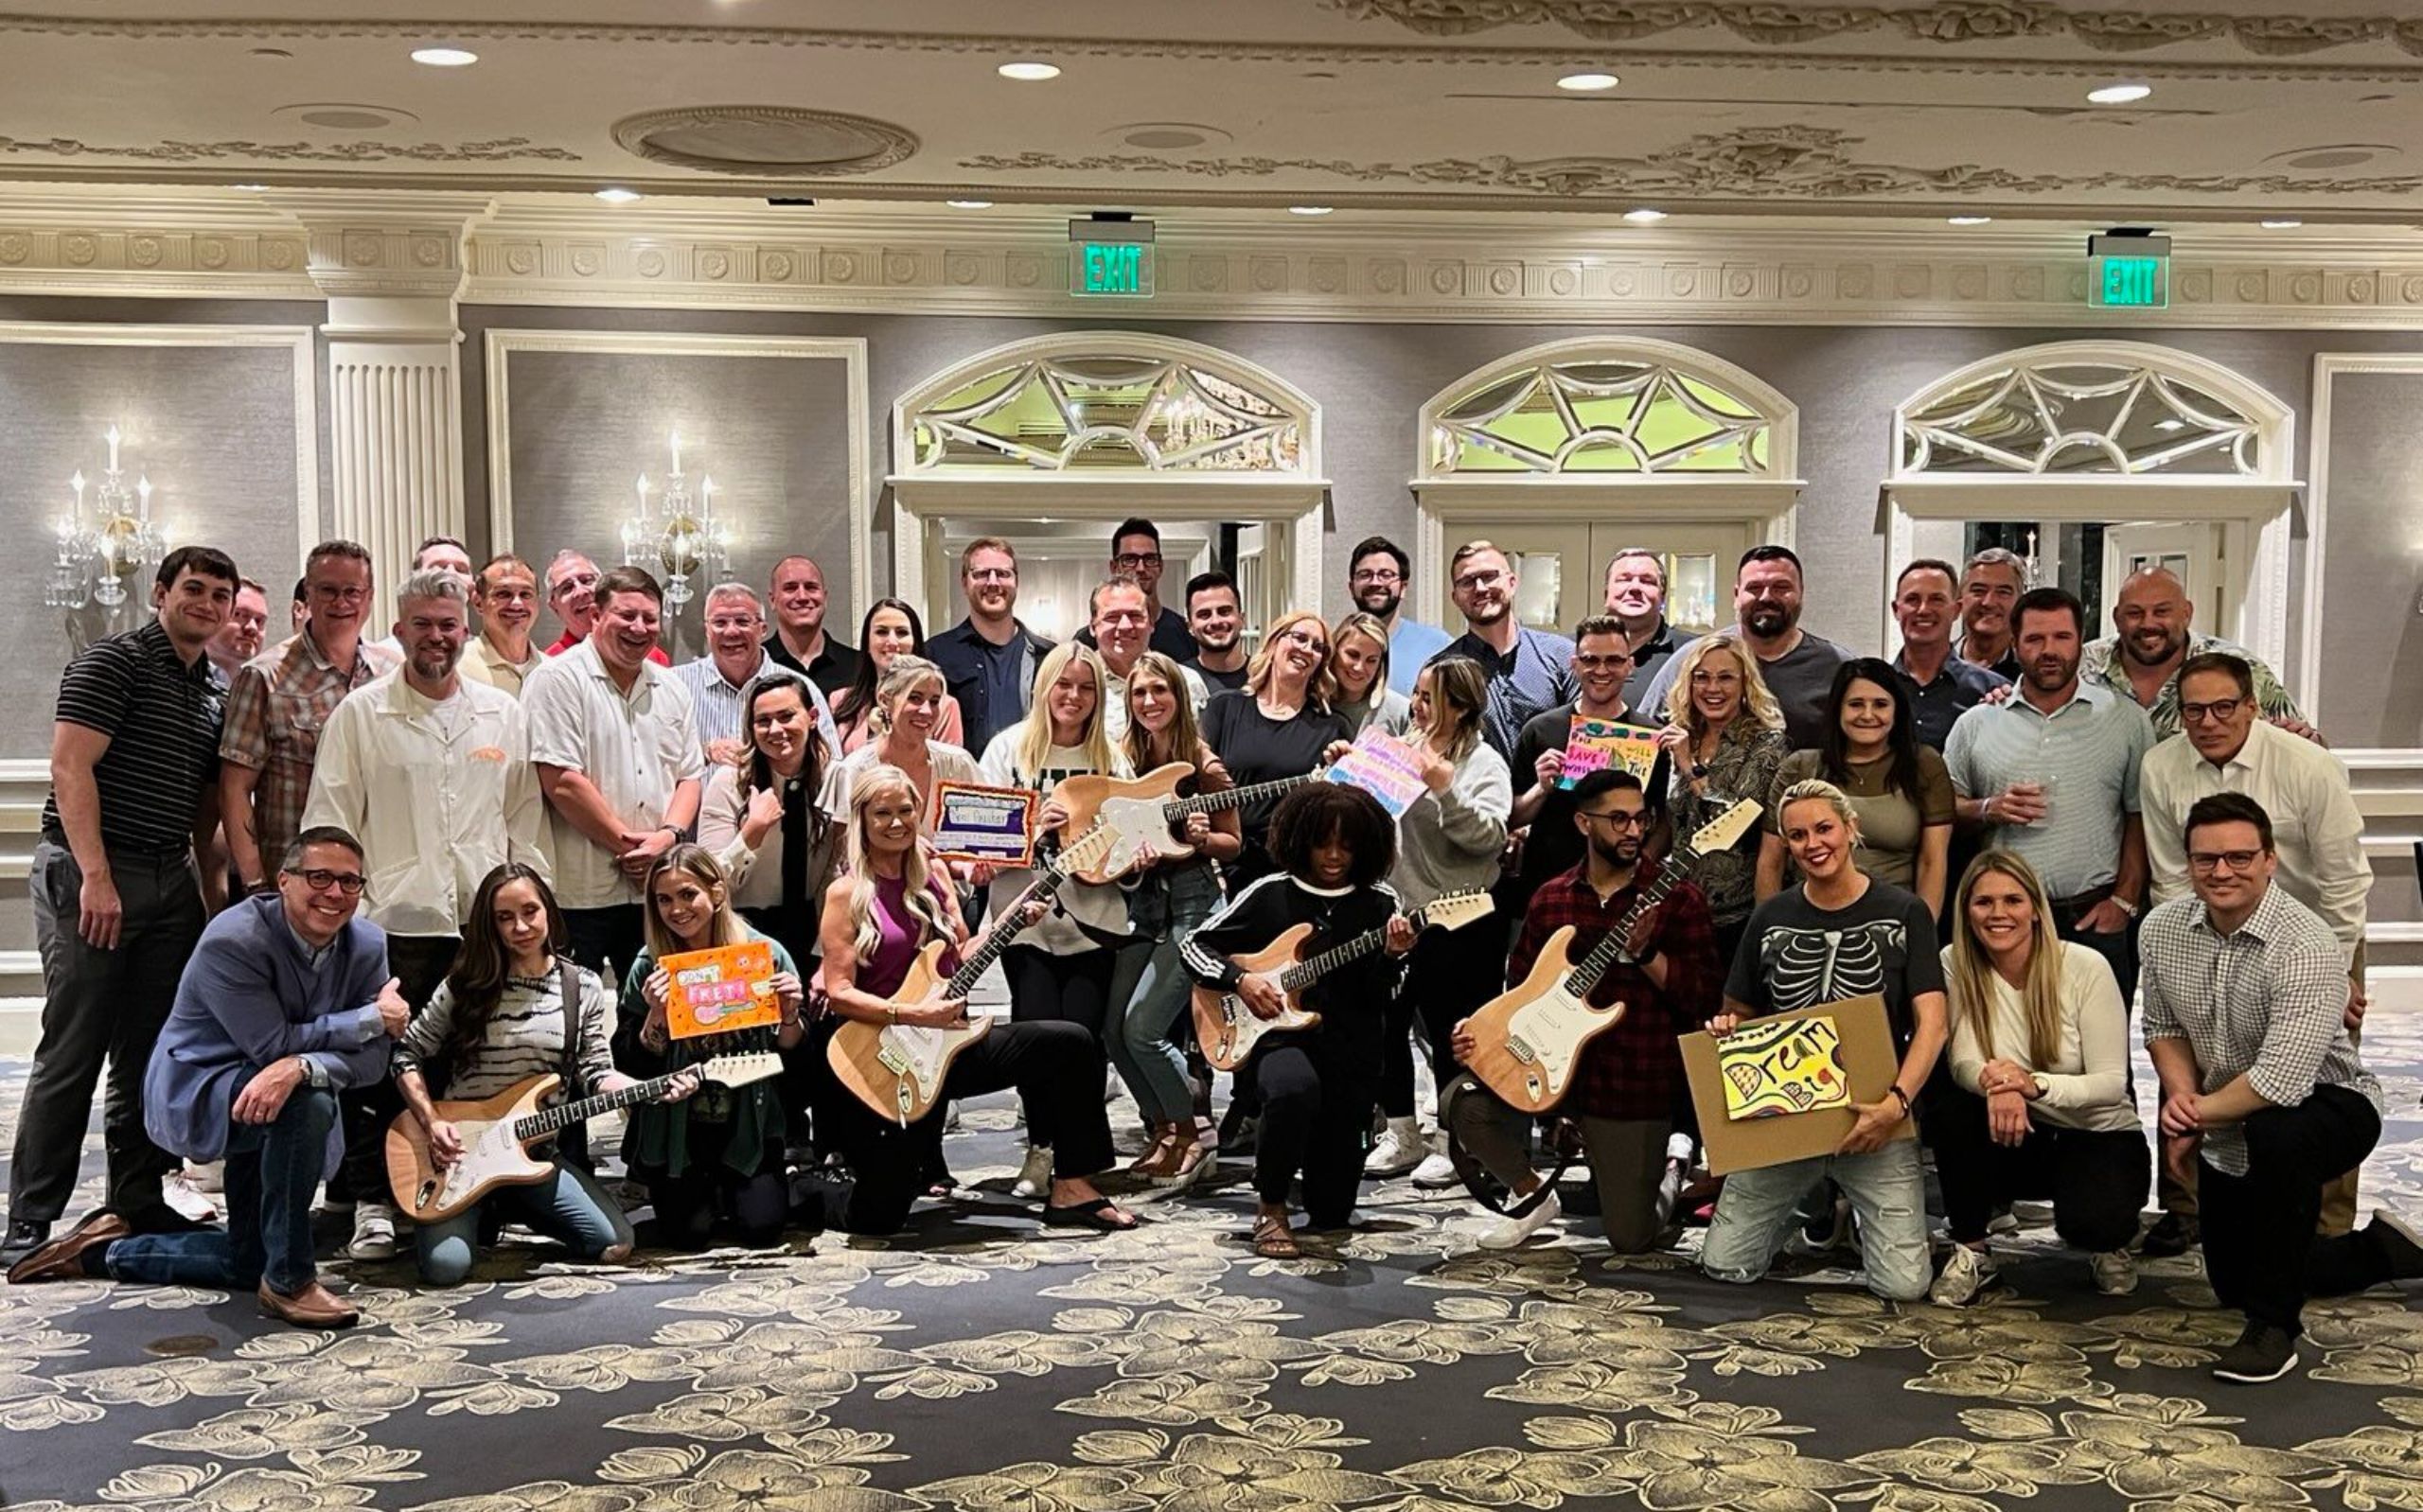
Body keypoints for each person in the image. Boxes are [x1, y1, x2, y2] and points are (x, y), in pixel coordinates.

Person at [9, 828, 409, 1329]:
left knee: (246, 1261)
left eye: (349, 882)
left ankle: (103, 1252)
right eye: (319, 877)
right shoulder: (234, 938)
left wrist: (305, 1065)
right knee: (310, 1104)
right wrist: (369, 1020)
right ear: (283, 881)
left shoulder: (368, 943)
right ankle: (289, 1282)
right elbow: (271, 1044)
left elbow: (373, 1064)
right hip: (204, 1085)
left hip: (275, 1092)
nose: (334, 894)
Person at [299, 568, 547, 1259]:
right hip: (391, 924)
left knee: (472, 1064)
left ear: (463, 628)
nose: (435, 637)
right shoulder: (361, 714)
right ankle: (373, 1202)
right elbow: (331, 824)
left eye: (447, 625)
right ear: (401, 630)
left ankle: (462, 1185)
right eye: (422, 625)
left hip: (479, 923)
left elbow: (523, 818)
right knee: (376, 1069)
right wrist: (334, 920)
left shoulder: (503, 711)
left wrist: (533, 906)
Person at [3, 547, 239, 1264]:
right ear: (160, 593)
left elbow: (204, 805)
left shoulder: (216, 688)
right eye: (193, 589)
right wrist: (96, 877)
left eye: (221, 595)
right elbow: (70, 766)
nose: (207, 603)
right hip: (93, 873)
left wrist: (206, 891)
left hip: (171, 879)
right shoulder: (114, 662)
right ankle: (32, 1218)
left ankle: (136, 1198)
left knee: (147, 1051)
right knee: (74, 1046)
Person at [2140, 792, 2423, 1385]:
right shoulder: (2162, 929)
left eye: (2240, 857)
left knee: (2279, 1133)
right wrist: (2186, 1101)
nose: (2222, 872)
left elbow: (2281, 1081)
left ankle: (2275, 1329)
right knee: (2233, 1282)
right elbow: (2163, 1029)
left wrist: (2193, 1118)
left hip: (2330, 1103)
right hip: (2227, 1110)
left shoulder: (2307, 944)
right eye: (2206, 859)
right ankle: (2382, 1253)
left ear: (2270, 860)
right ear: (2186, 862)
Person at [809, 765, 1141, 1236]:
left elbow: (958, 954)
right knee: (878, 1216)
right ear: (861, 819)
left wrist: (1008, 923)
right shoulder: (846, 894)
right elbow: (839, 992)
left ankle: (1074, 1187)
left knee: (1071, 1043)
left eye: (905, 811)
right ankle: (810, 1189)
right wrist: (911, 1012)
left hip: (951, 1045)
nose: (896, 822)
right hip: (887, 1059)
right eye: (881, 813)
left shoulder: (934, 876)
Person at [2141, 650, 2372, 1244]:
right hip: (2203, 934)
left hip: (2319, 936)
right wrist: (2182, 950)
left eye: (2224, 707)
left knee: (2313, 1081)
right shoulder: (2162, 766)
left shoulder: (2307, 765)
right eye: (2194, 710)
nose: (2209, 721)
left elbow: (2344, 880)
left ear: (2252, 706)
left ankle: (2326, 1228)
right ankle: (2193, 1207)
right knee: (2201, 1060)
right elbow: (2171, 878)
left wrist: (2336, 974)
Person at [1442, 769, 1721, 1252]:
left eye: (1641, 819)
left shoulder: (1678, 900)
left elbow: (1702, 999)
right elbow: (1520, 991)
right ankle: (1531, 1195)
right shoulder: (1551, 898)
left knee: (1631, 1239)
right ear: (1583, 824)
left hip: (1631, 1085)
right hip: (1550, 1074)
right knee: (1461, 1101)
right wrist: (1477, 1032)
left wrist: (1647, 955)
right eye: (1618, 820)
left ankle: (1674, 1163)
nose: (1633, 831)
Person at [1702, 781, 1949, 1302]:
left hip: (1877, 1118)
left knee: (1903, 1287)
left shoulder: (1905, 912)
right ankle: (1804, 1208)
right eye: (1797, 835)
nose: (1813, 844)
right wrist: (1726, 1029)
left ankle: (1858, 1217)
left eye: (1823, 829)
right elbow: (1738, 1012)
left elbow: (1934, 1024)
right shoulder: (1770, 917)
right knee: (1725, 1264)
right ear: (1786, 847)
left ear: (1851, 830)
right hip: (1786, 1123)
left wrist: (1896, 1104)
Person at [393, 864, 681, 1285]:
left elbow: (596, 1072)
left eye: (530, 911)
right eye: (504, 918)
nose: (521, 927)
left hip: (534, 1152)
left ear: (548, 909)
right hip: (457, 1154)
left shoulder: (579, 986)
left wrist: (644, 1090)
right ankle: (483, 1206)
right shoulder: (465, 983)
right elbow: (406, 1053)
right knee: (446, 1269)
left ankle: (513, 1200)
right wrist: (431, 1123)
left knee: (613, 1243)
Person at [1184, 784, 1413, 1257]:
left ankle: (1294, 1166)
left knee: (1331, 1212)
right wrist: (1240, 981)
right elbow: (1194, 946)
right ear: (1300, 840)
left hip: (1352, 1048)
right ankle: (1271, 1207)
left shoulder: (1382, 904)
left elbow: (1388, 994)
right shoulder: (1271, 893)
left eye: (1346, 845)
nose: (1333, 856)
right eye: (1321, 843)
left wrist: (1392, 957)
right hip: (1277, 1039)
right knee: (1292, 1090)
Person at [1928, 852, 2149, 1306]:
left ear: (2035, 908)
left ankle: (2110, 1243)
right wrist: (1999, 1084)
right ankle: (1973, 1250)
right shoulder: (1956, 963)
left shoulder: (2084, 966)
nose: (1998, 914)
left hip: (2093, 1132)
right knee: (1949, 1104)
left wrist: (2031, 1084)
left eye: (2012, 900)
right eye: (1983, 902)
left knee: (2093, 1226)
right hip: (2012, 1129)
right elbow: (1963, 1061)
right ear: (1966, 911)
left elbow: (2110, 1083)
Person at [1943, 586, 2154, 1004]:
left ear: (2081, 641)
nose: (2049, 650)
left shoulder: (2126, 720)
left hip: (2093, 916)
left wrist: (2125, 901)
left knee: (2101, 1056)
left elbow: (2140, 816)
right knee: (2002, 1052)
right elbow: (1942, 809)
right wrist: (1988, 808)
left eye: (2062, 637)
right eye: (2035, 639)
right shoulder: (1977, 724)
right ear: (2015, 645)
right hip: (2002, 921)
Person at [978, 642, 1134, 1197]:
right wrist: (1033, 831)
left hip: (1095, 924)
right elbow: (980, 843)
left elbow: (1130, 841)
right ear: (1043, 687)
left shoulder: (1113, 758)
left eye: (1086, 686)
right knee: (1038, 1040)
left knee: (1086, 1044)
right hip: (1026, 926)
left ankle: (1080, 1160)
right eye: (1063, 684)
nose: (1074, 696)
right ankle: (1041, 1150)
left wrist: (1115, 849)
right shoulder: (1007, 750)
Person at [1363, 656, 1512, 1187]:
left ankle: (1455, 1139)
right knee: (1387, 1023)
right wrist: (1347, 770)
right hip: (1401, 911)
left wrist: (1444, 787)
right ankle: (1402, 1131)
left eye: (1429, 697)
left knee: (1456, 1030)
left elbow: (1491, 838)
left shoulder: (1486, 763)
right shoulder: (1402, 748)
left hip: (1464, 916)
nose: (1417, 706)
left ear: (1461, 706)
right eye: (1418, 694)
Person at [612, 845, 804, 1249]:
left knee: (762, 1231)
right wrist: (655, 1016)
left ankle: (787, 1185)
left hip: (748, 1121)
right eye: (664, 899)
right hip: (680, 1129)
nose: (676, 909)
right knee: (687, 1235)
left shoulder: (766, 955)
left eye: (688, 894)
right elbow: (630, 1063)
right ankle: (706, 1193)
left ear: (716, 893)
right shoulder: (650, 965)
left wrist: (789, 1015)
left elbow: (795, 1060)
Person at [523, 567, 705, 987]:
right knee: (572, 1014)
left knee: (657, 1013)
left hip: (656, 894)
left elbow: (690, 776)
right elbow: (561, 780)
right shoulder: (556, 679)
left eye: (650, 618)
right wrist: (632, 849)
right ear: (596, 618)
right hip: (578, 893)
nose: (639, 628)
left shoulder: (671, 686)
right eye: (626, 615)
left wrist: (668, 838)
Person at [1105, 652, 1241, 1185]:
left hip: (1193, 904)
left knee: (1143, 1030)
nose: (1149, 702)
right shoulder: (1125, 758)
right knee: (1114, 1033)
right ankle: (1164, 1128)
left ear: (1178, 698)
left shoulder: (1203, 764)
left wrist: (1206, 839)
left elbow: (1234, 843)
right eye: (1139, 693)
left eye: (1159, 691)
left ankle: (1194, 1129)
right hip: (1141, 904)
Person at [699, 673, 844, 1156]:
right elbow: (709, 884)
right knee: (762, 1043)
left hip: (813, 920)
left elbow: (839, 872)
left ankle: (827, 1147)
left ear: (812, 717)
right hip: (746, 928)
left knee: (820, 1034)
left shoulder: (835, 778)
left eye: (787, 716)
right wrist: (752, 833)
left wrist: (829, 956)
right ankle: (768, 1144)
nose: (776, 729)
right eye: (763, 721)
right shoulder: (729, 783)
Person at [221, 539, 398, 901]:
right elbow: (234, 788)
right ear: (308, 595)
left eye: (352, 591)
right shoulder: (264, 677)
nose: (341, 602)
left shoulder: (393, 675)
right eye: (328, 591)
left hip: (380, 882)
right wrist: (256, 884)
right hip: (294, 886)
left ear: (369, 596)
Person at [1759, 658, 1955, 919]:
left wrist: (1922, 934)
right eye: (1855, 704)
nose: (1867, 715)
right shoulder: (1801, 767)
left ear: (1897, 711)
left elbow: (1933, 862)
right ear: (1838, 709)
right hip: (1808, 921)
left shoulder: (1924, 765)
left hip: (1894, 920)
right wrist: (1769, 932)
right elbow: (1771, 863)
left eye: (1881, 705)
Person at [1510, 614, 1666, 903]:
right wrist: (1541, 788)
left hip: (1623, 896)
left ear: (1630, 665)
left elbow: (1662, 821)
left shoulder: (1651, 737)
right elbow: (1511, 817)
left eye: (1615, 661)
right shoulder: (1540, 730)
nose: (1602, 670)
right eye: (1591, 660)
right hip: (1546, 891)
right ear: (1575, 664)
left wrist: (1640, 869)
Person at [1653, 635, 1788, 966]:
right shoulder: (1681, 736)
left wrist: (1689, 767)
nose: (1713, 688)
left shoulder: (1767, 744)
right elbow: (1669, 821)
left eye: (1725, 677)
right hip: (1678, 908)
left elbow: (1737, 820)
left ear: (1745, 684)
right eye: (1702, 677)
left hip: (1735, 915)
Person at [1638, 545, 1847, 751]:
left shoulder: (1837, 665)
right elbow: (1642, 735)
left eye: (1781, 587)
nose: (1766, 597)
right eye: (1754, 588)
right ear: (1737, 594)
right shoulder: (1693, 657)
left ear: (1801, 593)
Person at [1202, 609, 1352, 888]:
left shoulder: (1331, 728)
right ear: (1273, 643)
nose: (1307, 649)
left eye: (1318, 647)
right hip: (1223, 869)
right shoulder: (1224, 708)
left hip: (1293, 872)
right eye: (1299, 638)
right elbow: (1197, 781)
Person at [2081, 565, 2314, 741]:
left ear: (2186, 613)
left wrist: (2312, 741)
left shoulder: (2241, 668)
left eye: (2162, 611)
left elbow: (2303, 748)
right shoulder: (2083, 666)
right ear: (2116, 617)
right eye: (2134, 613)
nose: (2147, 623)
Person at [670, 582, 839, 766]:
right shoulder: (675, 685)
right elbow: (653, 762)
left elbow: (832, 762)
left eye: (743, 622)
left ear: (763, 629)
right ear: (707, 630)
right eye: (719, 623)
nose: (731, 631)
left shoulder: (800, 686)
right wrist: (703, 752)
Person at [1440, 540, 1576, 760]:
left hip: (1556, 792)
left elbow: (1588, 737)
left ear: (1512, 583)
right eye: (1467, 582)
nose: (1480, 588)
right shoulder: (1441, 673)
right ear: (1455, 597)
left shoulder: (1563, 656)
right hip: (1474, 794)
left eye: (1489, 576)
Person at [826, 656, 985, 835]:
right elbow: (844, 851)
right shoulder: (855, 770)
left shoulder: (959, 764)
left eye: (934, 701)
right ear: (885, 701)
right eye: (915, 698)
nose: (926, 711)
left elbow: (982, 834)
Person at [928, 536, 1054, 760]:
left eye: (1003, 574)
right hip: (961, 787)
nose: (993, 582)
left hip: (1031, 783)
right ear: (964, 583)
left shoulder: (1049, 656)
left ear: (1017, 582)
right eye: (981, 574)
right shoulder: (935, 654)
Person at [1889, 558, 2008, 750]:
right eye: (1913, 599)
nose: (1923, 610)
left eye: (1937, 599)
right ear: (1896, 610)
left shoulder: (1993, 693)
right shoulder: (1876, 688)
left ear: (1956, 610)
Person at [830, 597, 964, 752]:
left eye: (902, 632)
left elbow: (950, 770)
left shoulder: (945, 707)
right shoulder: (839, 701)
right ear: (867, 643)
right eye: (882, 632)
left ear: (915, 642)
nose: (892, 642)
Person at [1090, 575, 1209, 740]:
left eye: (1135, 616)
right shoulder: (1078, 687)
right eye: (1112, 617)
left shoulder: (1188, 682)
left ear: (1151, 624)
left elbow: (1200, 751)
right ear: (1092, 626)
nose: (1125, 626)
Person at [1073, 519, 1196, 662]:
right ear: (1114, 567)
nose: (1141, 568)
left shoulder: (1184, 633)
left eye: (1150, 559)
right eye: (1130, 560)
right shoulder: (1087, 641)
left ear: (1161, 566)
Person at [1347, 536, 1449, 696]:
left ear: (1403, 587)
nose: (1375, 582)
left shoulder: (1439, 646)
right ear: (1352, 588)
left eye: (1386, 575)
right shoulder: (1335, 648)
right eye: (1365, 575)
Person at [1602, 548, 1698, 709]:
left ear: (1663, 596)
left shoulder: (1693, 651)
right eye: (1624, 579)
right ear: (1606, 593)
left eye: (1647, 581)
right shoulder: (1570, 649)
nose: (1635, 588)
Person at [540, 551, 663, 666]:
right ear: (554, 606)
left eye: (587, 581)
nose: (581, 591)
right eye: (567, 588)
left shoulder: (652, 655)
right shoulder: (550, 664)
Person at [764, 554, 859, 697]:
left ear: (825, 598)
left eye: (811, 587)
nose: (802, 597)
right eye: (790, 588)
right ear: (772, 600)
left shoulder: (859, 666)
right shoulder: (758, 665)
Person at [364, 536, 473, 660]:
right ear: (415, 578)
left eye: (461, 569)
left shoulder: (482, 655)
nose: (451, 574)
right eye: (438, 567)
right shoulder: (384, 659)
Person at [460, 554, 547, 695]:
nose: (517, 604)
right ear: (478, 603)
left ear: (538, 603)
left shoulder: (555, 670)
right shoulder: (456, 669)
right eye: (503, 594)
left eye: (526, 594)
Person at [1329, 610, 1411, 738]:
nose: (1359, 667)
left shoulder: (1401, 711)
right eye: (1352, 655)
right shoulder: (1312, 705)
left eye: (1371, 660)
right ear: (1334, 651)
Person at [1953, 547, 2027, 681]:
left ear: (2019, 602)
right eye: (1979, 591)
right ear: (1960, 598)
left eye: (2003, 592)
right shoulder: (1933, 666)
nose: (1989, 602)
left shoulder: (2031, 673)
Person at [1186, 571, 1250, 694]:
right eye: (1204, 614)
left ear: (1242, 619)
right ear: (1190, 626)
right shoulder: (1178, 680)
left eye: (1224, 611)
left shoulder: (1266, 677)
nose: (1216, 621)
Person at [204, 578, 269, 686]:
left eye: (259, 621)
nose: (253, 628)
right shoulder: (176, 676)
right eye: (239, 615)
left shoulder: (266, 690)